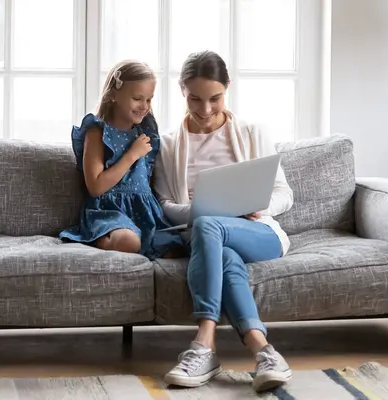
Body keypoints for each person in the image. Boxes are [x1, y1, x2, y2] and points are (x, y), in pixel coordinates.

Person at [153, 50, 294, 393]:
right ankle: (264, 351)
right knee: (220, 248)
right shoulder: (169, 145)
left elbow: (284, 194)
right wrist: (204, 210)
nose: (204, 109)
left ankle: (204, 342)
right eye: (194, 99)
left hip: (258, 232)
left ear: (228, 88)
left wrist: (258, 207)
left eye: (214, 98)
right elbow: (165, 205)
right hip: (207, 236)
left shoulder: (251, 132)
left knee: (209, 226)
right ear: (181, 90)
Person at [60, 60, 183, 259]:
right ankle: (98, 238)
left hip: (145, 211)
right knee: (129, 241)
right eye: (137, 98)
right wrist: (131, 155)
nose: (144, 106)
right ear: (114, 95)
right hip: (109, 211)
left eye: (149, 100)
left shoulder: (146, 133)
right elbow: (96, 186)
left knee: (179, 248)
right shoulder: (97, 131)